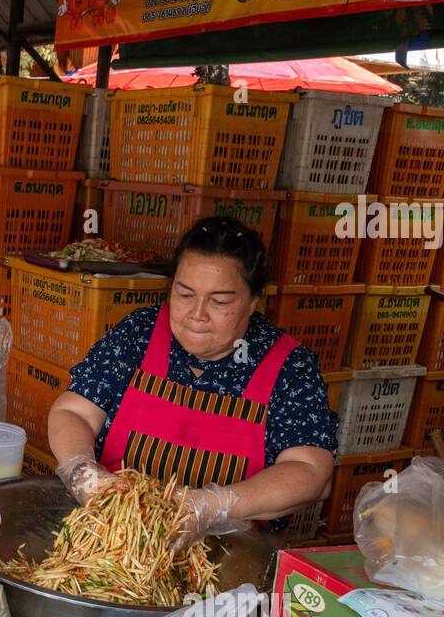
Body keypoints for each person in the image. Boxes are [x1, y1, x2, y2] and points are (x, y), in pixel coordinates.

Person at [47, 217, 337, 543]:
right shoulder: (138, 334)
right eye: (185, 295)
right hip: (115, 538)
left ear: (254, 300)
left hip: (230, 563)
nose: (197, 313)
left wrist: (212, 506)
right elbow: (74, 412)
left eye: (220, 301)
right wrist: (84, 473)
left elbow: (311, 472)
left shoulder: (289, 367)